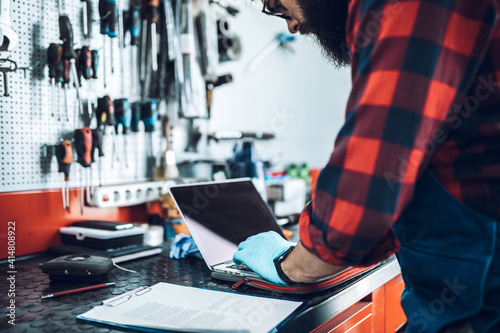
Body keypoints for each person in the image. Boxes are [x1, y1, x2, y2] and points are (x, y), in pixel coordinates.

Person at [233, 1, 500, 332]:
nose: (290, 27)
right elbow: (394, 177)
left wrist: (288, 265)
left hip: (480, 298)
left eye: (275, 5)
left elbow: (372, 179)